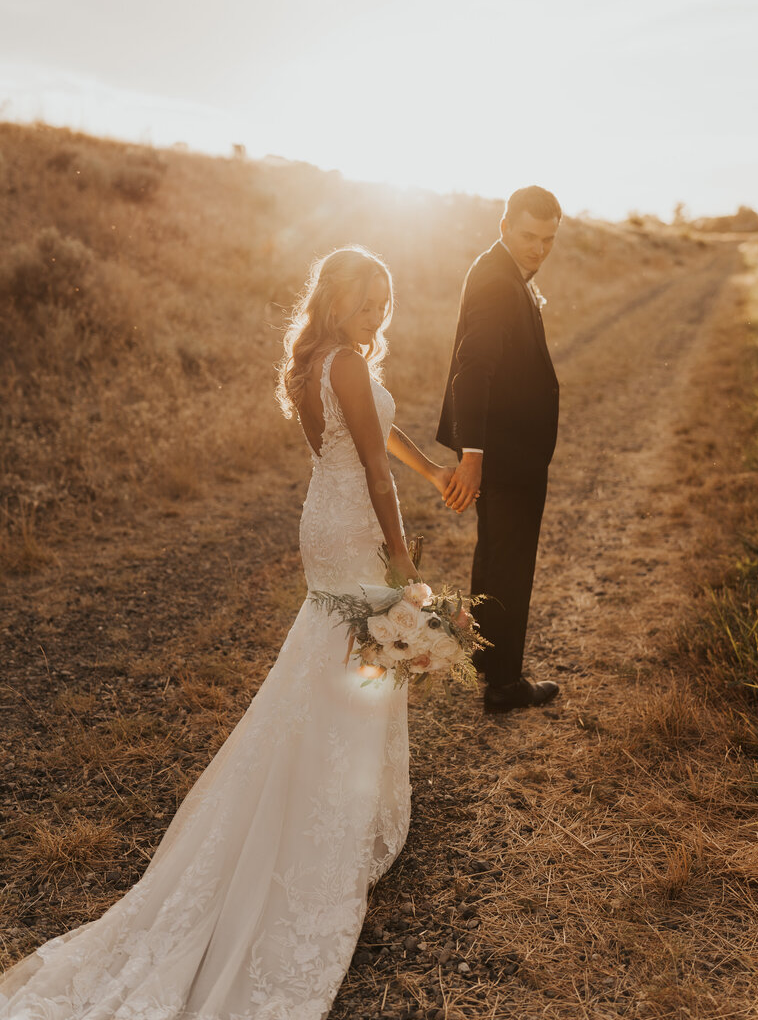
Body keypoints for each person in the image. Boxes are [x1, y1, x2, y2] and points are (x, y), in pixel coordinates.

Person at [0, 246, 455, 1020]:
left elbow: (383, 439)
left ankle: (327, 797)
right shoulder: (344, 361)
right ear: (339, 298)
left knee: (336, 657)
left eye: (386, 300)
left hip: (324, 522)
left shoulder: (323, 362)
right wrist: (406, 558)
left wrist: (433, 471)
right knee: (365, 656)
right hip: (348, 526)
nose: (377, 314)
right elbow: (372, 473)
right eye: (366, 299)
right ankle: (328, 817)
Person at [437, 185, 562, 715]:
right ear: (505, 226)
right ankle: (505, 684)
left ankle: (488, 664)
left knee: (494, 558)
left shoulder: (504, 269)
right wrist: (474, 453)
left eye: (548, 239)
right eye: (529, 236)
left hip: (507, 449)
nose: (538, 249)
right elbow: (475, 368)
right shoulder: (495, 278)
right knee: (509, 564)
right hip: (505, 453)